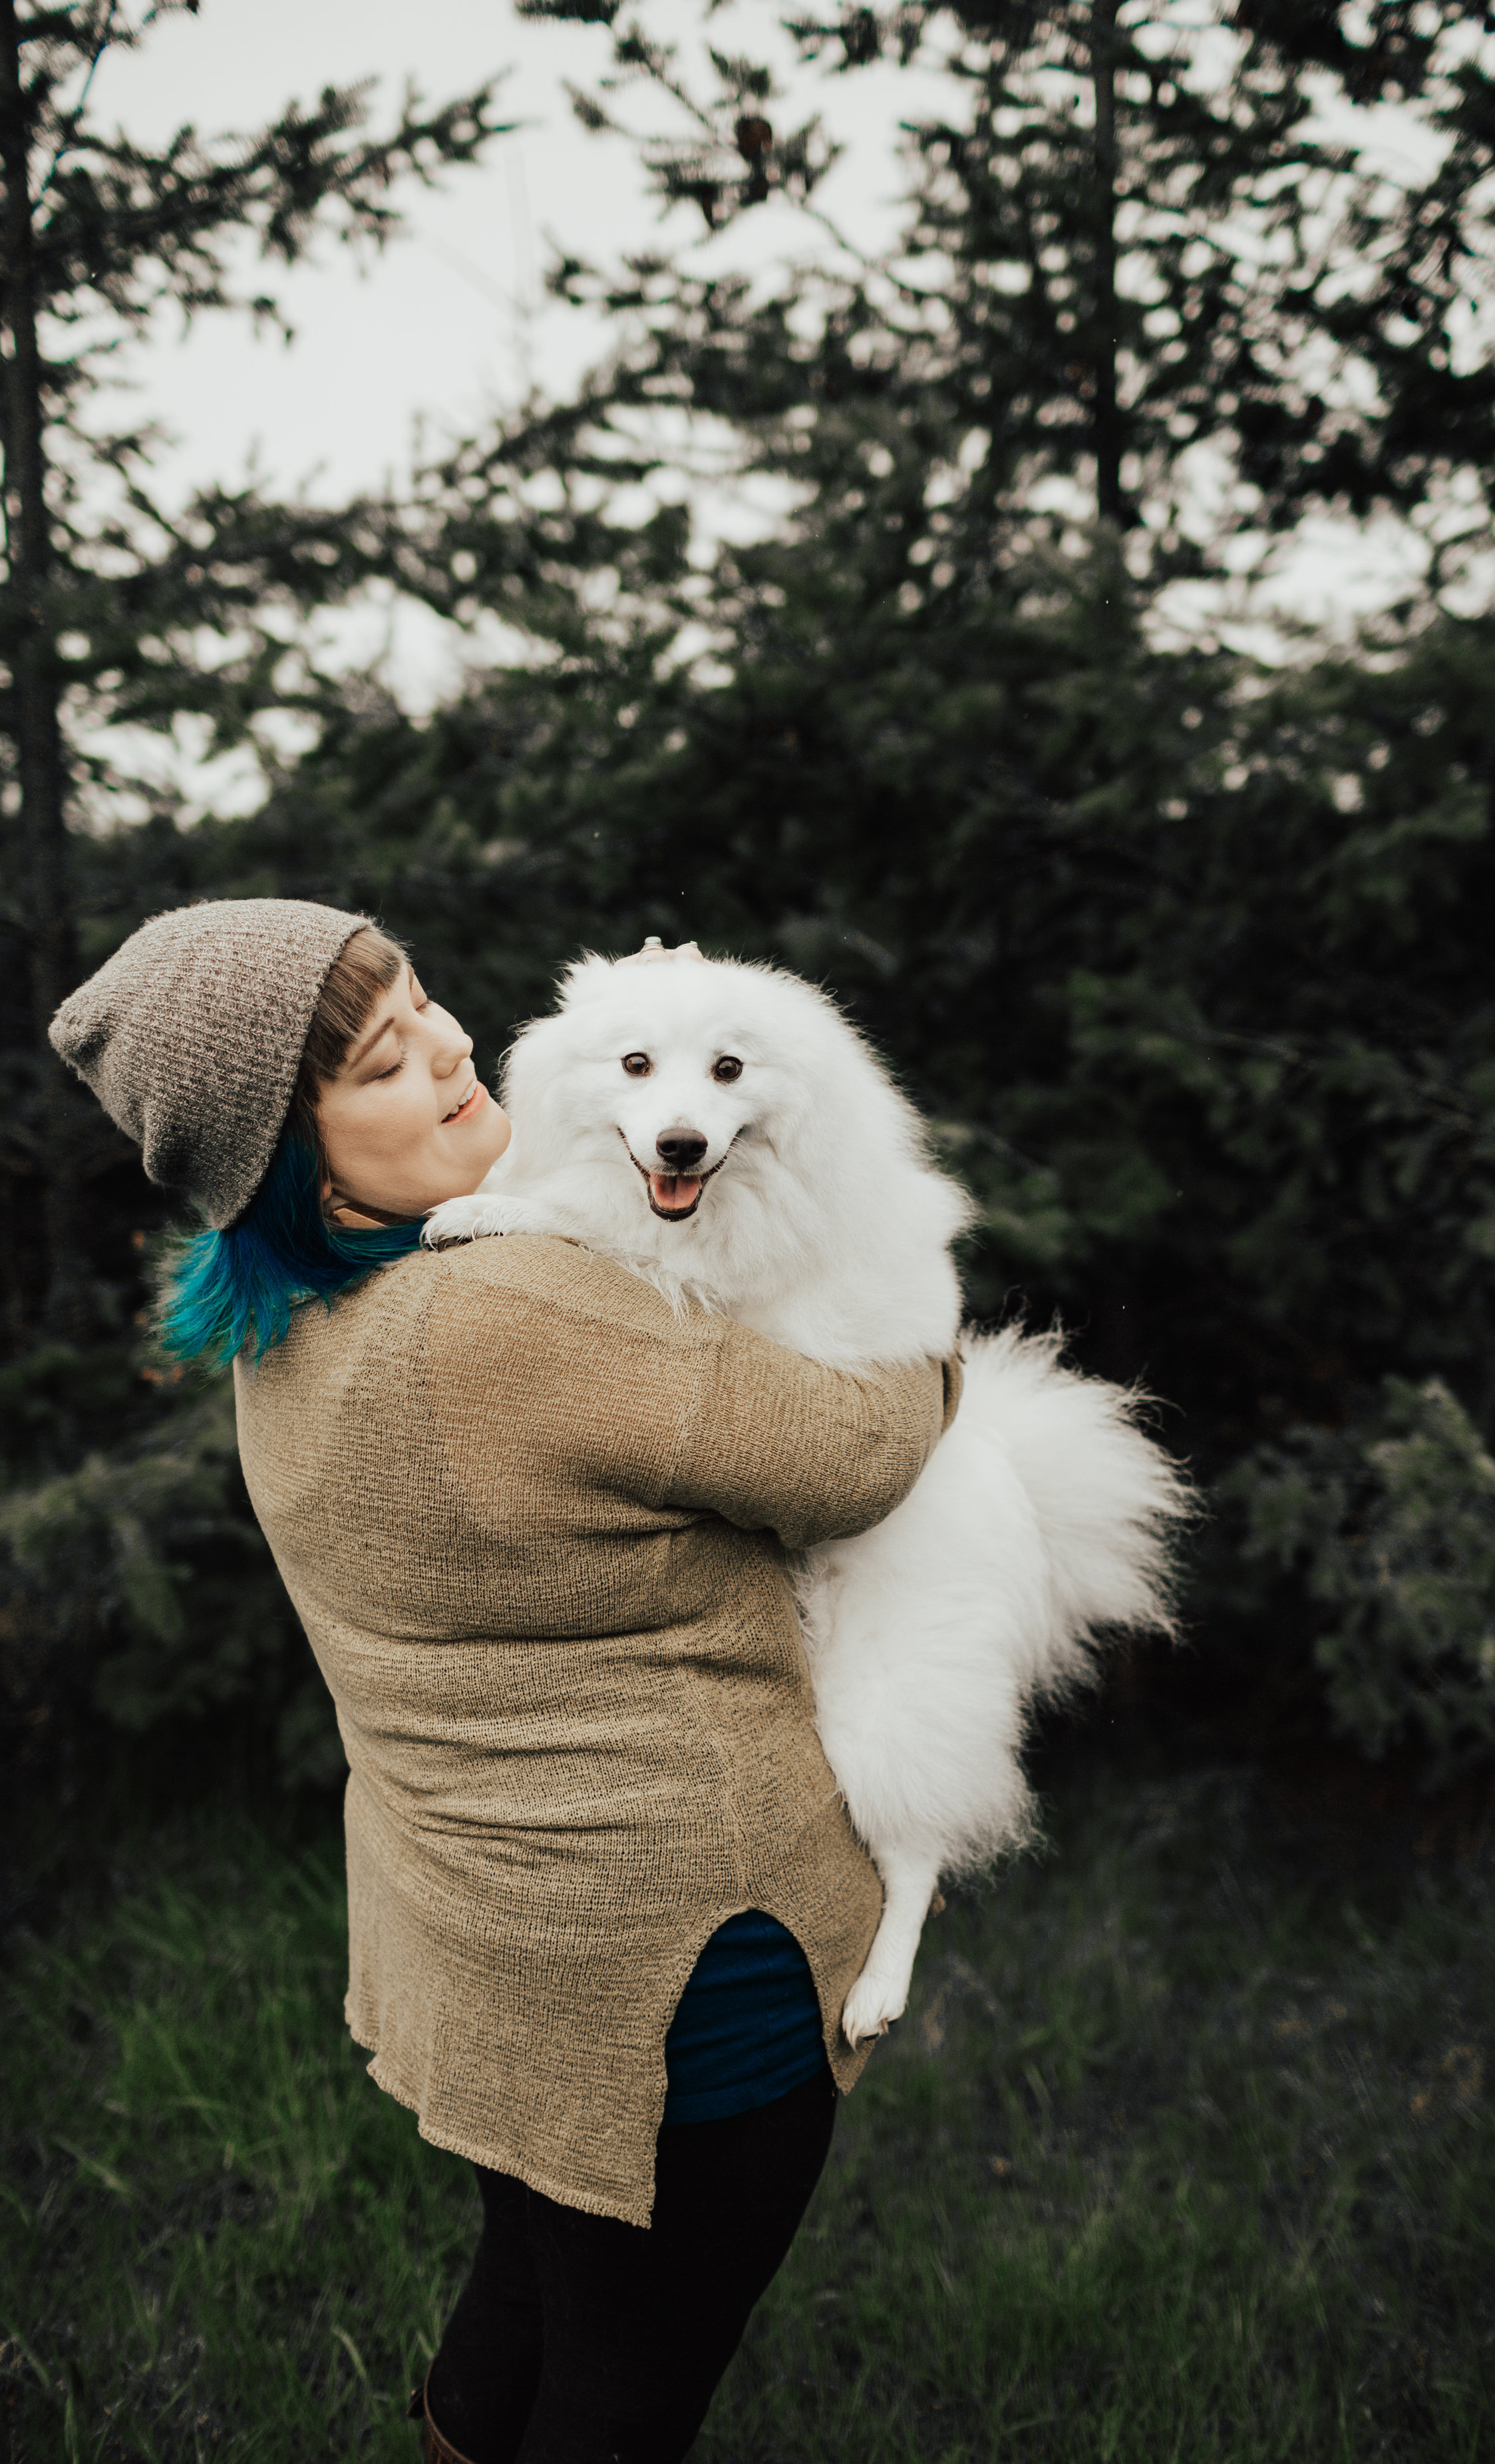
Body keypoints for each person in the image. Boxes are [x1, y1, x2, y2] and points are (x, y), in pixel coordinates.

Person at [49, 898, 960, 2464]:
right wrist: (942, 1353)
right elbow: (855, 1453)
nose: (452, 1048)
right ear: (297, 1161)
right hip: (681, 1964)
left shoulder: (301, 1327)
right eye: (385, 1061)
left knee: (529, 2311)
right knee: (619, 2402)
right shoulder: (511, 1310)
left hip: (489, 1945)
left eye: (424, 1002)